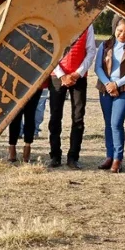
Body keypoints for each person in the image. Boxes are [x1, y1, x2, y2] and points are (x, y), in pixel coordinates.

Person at [93, 18, 125, 173]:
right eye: (120, 30)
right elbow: (98, 67)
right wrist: (108, 84)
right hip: (106, 87)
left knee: (116, 123)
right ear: (114, 28)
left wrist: (117, 84)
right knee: (108, 123)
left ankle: (117, 158)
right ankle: (109, 155)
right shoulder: (105, 44)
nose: (122, 34)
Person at [47, 25, 95, 169]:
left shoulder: (88, 25)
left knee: (78, 117)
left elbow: (91, 51)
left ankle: (73, 156)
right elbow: (50, 50)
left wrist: (77, 73)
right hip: (57, 75)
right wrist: (62, 75)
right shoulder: (57, 21)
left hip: (79, 76)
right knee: (55, 116)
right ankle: (55, 155)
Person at [7, 80, 46, 163]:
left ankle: (27, 147)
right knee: (15, 116)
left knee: (30, 115)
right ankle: (12, 147)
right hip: (16, 82)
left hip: (35, 82)